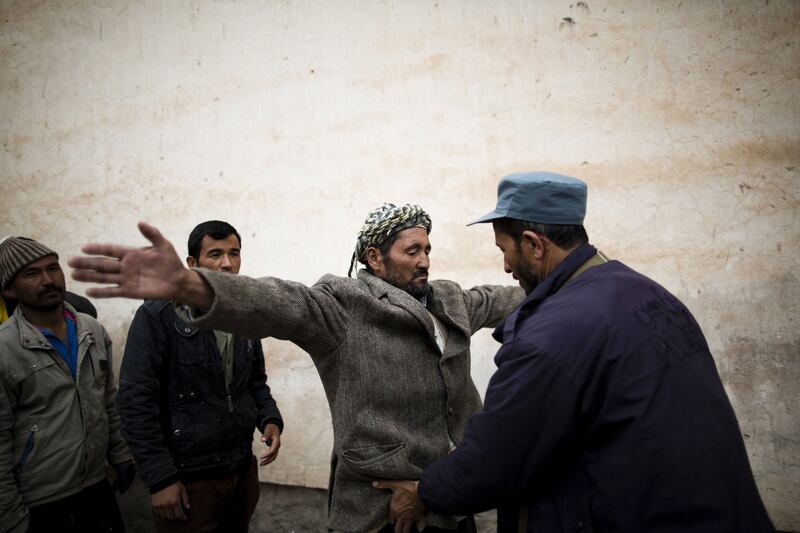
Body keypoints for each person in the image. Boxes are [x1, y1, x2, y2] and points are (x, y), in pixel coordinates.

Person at [68, 203, 525, 532]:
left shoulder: (450, 301)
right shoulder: (343, 307)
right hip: (379, 508)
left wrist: (585, 274)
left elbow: (508, 299)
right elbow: (280, 304)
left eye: (427, 248)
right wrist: (194, 287)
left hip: (450, 500)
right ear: (374, 258)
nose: (425, 260)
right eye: (411, 251)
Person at [376, 172, 775, 533]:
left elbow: (496, 461)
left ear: (533, 245)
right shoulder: (645, 292)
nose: (504, 267)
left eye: (506, 250)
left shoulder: (551, 335)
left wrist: (425, 491)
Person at [117, 220, 284, 533]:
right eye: (216, 254)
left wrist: (270, 419)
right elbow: (134, 401)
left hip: (240, 469)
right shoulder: (158, 315)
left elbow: (254, 382)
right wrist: (161, 479)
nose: (227, 264)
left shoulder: (243, 312)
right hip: (188, 479)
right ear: (192, 263)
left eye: (234, 254)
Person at [0, 237, 135, 533]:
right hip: (41, 502)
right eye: (32, 274)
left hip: (97, 488)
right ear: (9, 289)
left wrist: (121, 454)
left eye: (53, 268)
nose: (48, 280)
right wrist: (10, 518)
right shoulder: (5, 348)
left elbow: (106, 401)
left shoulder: (92, 330)